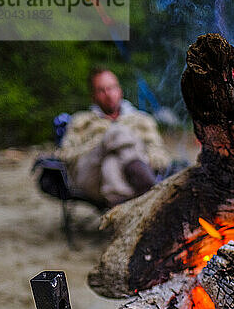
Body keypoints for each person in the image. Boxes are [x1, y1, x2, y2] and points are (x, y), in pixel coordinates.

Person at [59, 68, 170, 207]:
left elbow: (160, 155)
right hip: (91, 178)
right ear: (93, 96)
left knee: (111, 162)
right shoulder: (81, 121)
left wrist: (131, 155)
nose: (108, 94)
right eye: (101, 90)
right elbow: (66, 155)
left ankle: (120, 204)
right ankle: (146, 183)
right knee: (116, 133)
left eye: (111, 88)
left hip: (123, 179)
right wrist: (102, 145)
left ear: (120, 90)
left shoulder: (142, 120)